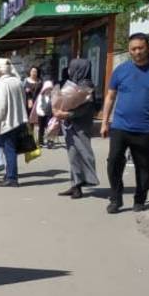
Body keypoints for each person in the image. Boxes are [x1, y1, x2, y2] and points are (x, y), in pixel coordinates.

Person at [100, 32, 149, 213]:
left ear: (148, 48)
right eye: (133, 48)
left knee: (144, 168)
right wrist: (104, 122)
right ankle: (116, 199)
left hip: (146, 129)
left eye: (141, 48)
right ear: (129, 50)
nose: (137, 51)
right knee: (113, 163)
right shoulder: (121, 70)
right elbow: (110, 97)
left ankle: (140, 199)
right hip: (120, 127)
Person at [51, 59, 99, 199]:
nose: (70, 70)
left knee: (81, 152)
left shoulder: (86, 85)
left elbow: (87, 108)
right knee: (73, 154)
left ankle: (81, 183)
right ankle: (75, 184)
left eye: (72, 68)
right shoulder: (76, 83)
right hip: (70, 123)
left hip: (80, 125)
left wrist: (67, 113)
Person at [0, 57, 28, 187]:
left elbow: (1, 107)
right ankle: (9, 175)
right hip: (19, 121)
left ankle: (11, 177)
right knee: (11, 150)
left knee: (9, 150)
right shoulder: (17, 81)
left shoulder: (2, 84)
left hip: (8, 123)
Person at [34, 78, 54, 147]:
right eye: (47, 88)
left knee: (49, 128)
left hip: (49, 114)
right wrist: (40, 112)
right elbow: (38, 106)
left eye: (50, 89)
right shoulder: (41, 96)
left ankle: (49, 141)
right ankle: (40, 141)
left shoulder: (52, 96)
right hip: (41, 114)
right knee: (41, 128)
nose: (49, 90)